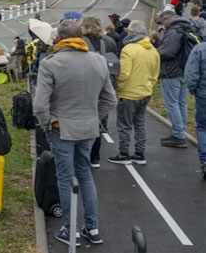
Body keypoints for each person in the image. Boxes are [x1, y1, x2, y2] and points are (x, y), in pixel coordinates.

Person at [33, 20, 117, 246]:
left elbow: (40, 105)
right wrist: (93, 117)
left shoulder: (51, 64)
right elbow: (110, 99)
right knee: (85, 174)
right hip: (88, 128)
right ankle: (93, 227)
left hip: (61, 128)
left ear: (58, 39)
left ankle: (71, 230)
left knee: (65, 178)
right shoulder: (98, 61)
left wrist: (47, 123)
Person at [107, 21, 160, 165]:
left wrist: (119, 88)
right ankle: (139, 153)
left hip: (129, 93)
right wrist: (149, 86)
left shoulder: (128, 49)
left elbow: (124, 73)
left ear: (131, 32)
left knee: (124, 124)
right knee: (140, 123)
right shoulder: (153, 50)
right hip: (145, 91)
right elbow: (155, 74)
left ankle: (124, 153)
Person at [80, 16, 117, 168]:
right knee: (97, 123)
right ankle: (95, 157)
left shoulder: (81, 41)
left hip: (86, 80)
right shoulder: (105, 42)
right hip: (102, 78)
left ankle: (85, 155)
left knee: (84, 119)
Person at [156, 10, 192, 148]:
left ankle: (178, 135)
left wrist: (155, 52)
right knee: (181, 103)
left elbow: (167, 52)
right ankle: (181, 131)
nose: (163, 25)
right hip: (184, 70)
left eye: (163, 22)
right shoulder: (186, 27)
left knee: (172, 104)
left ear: (166, 18)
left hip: (172, 71)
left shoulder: (173, 31)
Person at [183, 37, 206, 180]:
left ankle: (204, 159)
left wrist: (193, 89)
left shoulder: (200, 49)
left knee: (203, 127)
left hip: (203, 94)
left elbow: (191, 74)